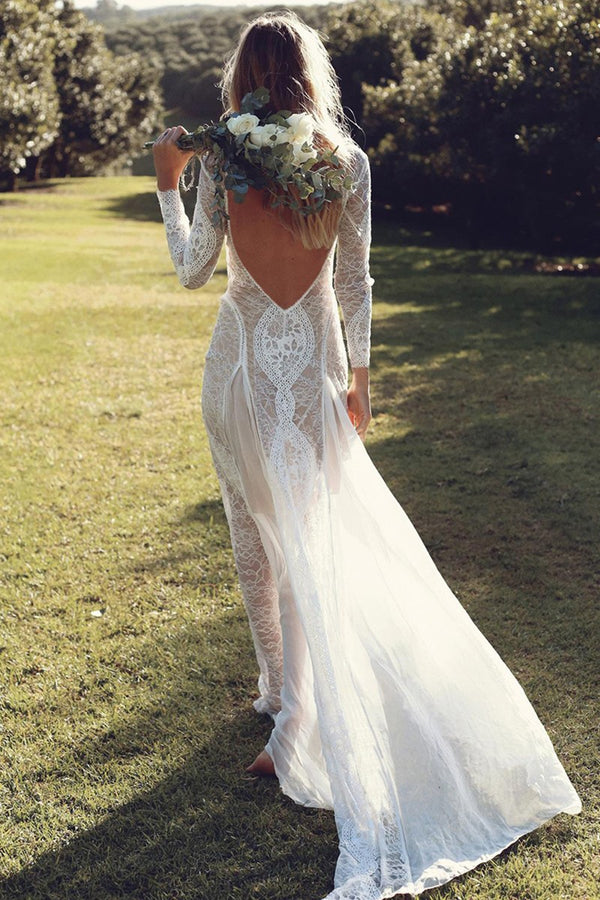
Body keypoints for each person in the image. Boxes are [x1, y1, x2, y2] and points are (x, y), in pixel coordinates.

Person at [152, 11, 581, 900]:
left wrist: (167, 184)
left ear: (242, 81)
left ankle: (283, 699)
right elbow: (353, 281)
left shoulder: (223, 159)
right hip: (309, 370)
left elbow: (196, 269)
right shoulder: (345, 164)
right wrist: (362, 376)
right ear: (310, 76)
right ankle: (292, 711)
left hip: (235, 370)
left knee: (253, 535)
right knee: (312, 537)